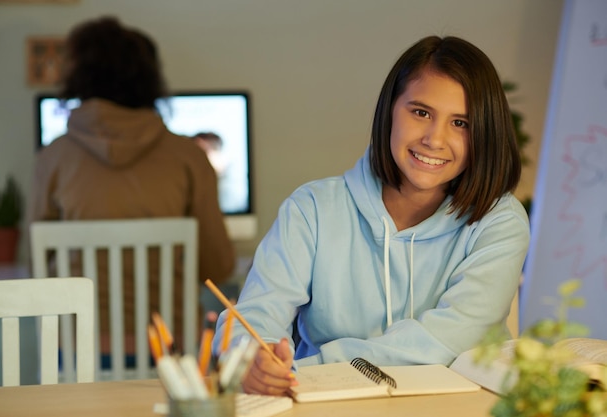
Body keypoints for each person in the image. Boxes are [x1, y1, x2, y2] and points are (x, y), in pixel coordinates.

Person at [212, 35, 530, 395]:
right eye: (421, 112)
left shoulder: (500, 221)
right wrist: (252, 357)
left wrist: (307, 368)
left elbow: (449, 340)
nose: (434, 139)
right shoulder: (312, 209)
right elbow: (254, 316)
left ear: (485, 133)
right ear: (390, 110)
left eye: (461, 123)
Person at [29, 16, 235, 354]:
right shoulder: (188, 158)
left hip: (78, 348)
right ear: (149, 79)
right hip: (170, 350)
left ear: (79, 79)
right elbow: (219, 267)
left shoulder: (52, 158)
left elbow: (39, 264)